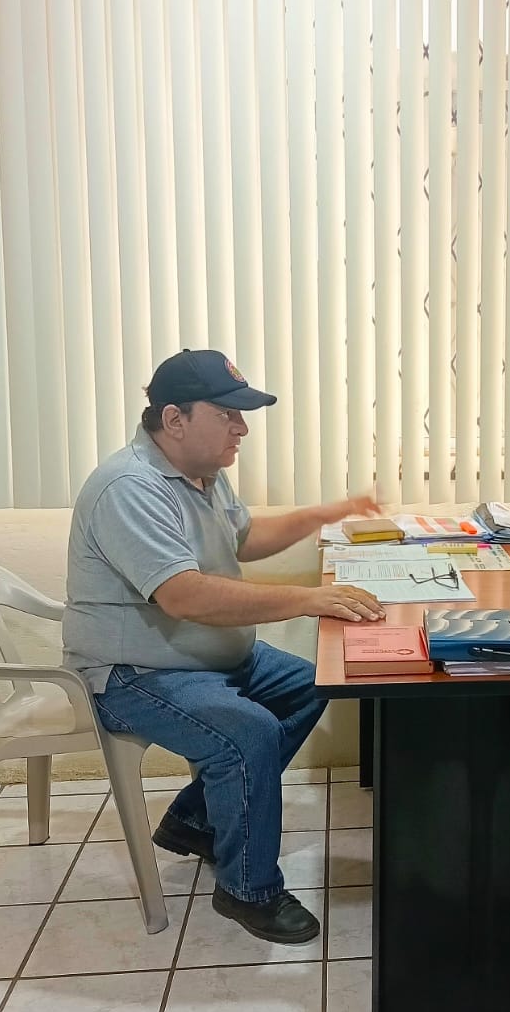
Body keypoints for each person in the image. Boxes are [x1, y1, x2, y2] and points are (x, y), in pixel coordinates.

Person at [62, 349, 386, 945]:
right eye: (228, 414)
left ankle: (195, 818)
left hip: (209, 654)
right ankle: (247, 890)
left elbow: (245, 537)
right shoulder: (130, 488)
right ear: (175, 418)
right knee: (248, 733)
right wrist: (308, 599)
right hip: (136, 672)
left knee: (316, 683)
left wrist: (327, 513)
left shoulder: (204, 470)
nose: (242, 428)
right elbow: (183, 595)